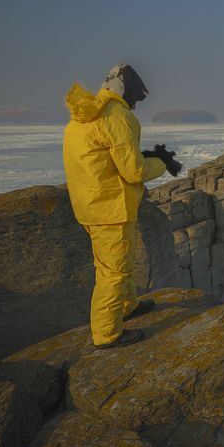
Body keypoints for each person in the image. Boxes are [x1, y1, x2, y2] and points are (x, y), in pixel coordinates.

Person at [62, 64, 167, 349]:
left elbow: (104, 157)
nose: (136, 104)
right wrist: (161, 163)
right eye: (136, 97)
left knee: (117, 260)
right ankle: (107, 334)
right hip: (111, 207)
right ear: (127, 90)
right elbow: (133, 172)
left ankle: (128, 304)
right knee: (114, 272)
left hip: (89, 204)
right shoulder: (118, 116)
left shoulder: (83, 116)